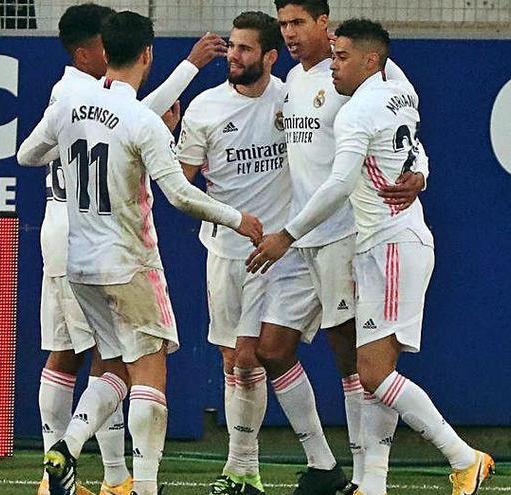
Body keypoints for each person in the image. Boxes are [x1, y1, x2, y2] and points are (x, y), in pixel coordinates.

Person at [18, 11, 262, 495]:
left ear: (105, 52)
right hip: (129, 260)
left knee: (112, 366)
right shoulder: (140, 121)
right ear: (147, 54)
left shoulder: (70, 106)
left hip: (81, 262)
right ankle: (144, 485)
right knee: (150, 368)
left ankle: (66, 447)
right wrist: (238, 219)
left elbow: (28, 155)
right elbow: (179, 195)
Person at [247, 18, 494, 495]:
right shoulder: (398, 94)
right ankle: (372, 484)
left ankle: (464, 457)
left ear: (370, 60)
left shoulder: (357, 111)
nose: (334, 65)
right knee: (371, 370)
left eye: (342, 58)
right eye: (333, 56)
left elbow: (339, 184)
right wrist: (420, 168)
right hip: (380, 243)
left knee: (373, 373)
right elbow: (413, 144)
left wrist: (286, 236)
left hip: (391, 244)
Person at [176, 11, 292, 495]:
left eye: (245, 49)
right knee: (233, 361)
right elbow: (180, 184)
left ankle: (243, 465)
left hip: (278, 253)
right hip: (225, 252)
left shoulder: (293, 100)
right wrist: (227, 217)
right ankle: (243, 470)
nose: (233, 56)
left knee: (253, 356)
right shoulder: (205, 108)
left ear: (269, 56)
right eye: (231, 46)